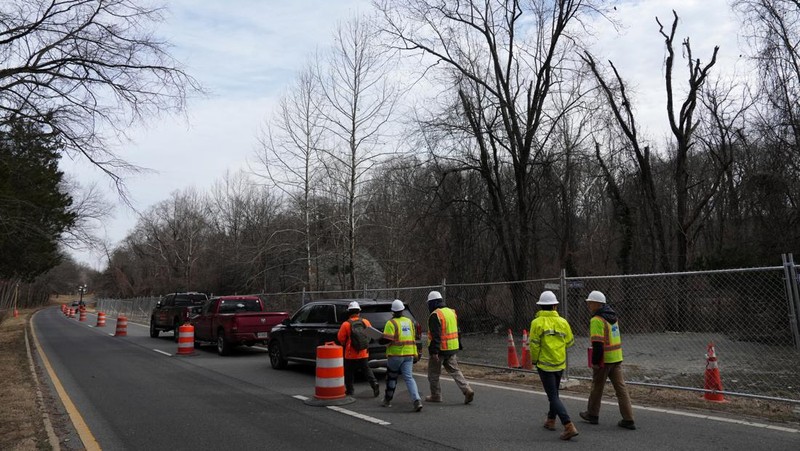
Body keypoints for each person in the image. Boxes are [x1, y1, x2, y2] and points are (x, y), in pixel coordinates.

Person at [580, 290, 636, 430]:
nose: (589, 305)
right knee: (621, 389)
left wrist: (595, 362)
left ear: (597, 304)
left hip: (604, 360)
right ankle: (628, 419)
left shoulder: (597, 320)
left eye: (590, 302)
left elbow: (598, 344)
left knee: (596, 388)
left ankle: (592, 414)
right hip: (616, 358)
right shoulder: (613, 317)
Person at [529, 290, 579, 440]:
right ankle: (550, 420)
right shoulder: (563, 322)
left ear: (540, 307)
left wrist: (534, 361)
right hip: (560, 364)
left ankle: (568, 425)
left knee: (552, 396)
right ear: (555, 306)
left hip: (545, 365)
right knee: (554, 394)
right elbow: (570, 342)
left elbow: (534, 345)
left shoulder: (536, 323)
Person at [425, 290, 474, 404]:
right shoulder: (451, 312)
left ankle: (435, 395)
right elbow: (457, 331)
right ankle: (467, 389)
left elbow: (436, 336)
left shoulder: (435, 315)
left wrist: (434, 352)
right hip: (451, 349)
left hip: (440, 350)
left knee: (433, 374)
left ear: (432, 303)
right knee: (455, 371)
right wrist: (459, 345)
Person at [380, 300, 423, 411]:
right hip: (409, 354)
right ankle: (417, 400)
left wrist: (380, 340)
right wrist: (416, 353)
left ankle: (387, 400)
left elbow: (387, 339)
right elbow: (413, 337)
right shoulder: (409, 321)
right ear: (402, 310)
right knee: (409, 378)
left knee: (392, 377)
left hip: (395, 355)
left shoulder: (391, 323)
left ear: (393, 312)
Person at [337, 301, 380, 397]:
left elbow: (341, 338)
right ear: (359, 312)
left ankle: (350, 390)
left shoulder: (346, 324)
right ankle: (374, 383)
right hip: (363, 352)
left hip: (350, 353)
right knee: (366, 369)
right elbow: (371, 334)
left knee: (349, 372)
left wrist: (347, 344)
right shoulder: (365, 322)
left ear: (349, 312)